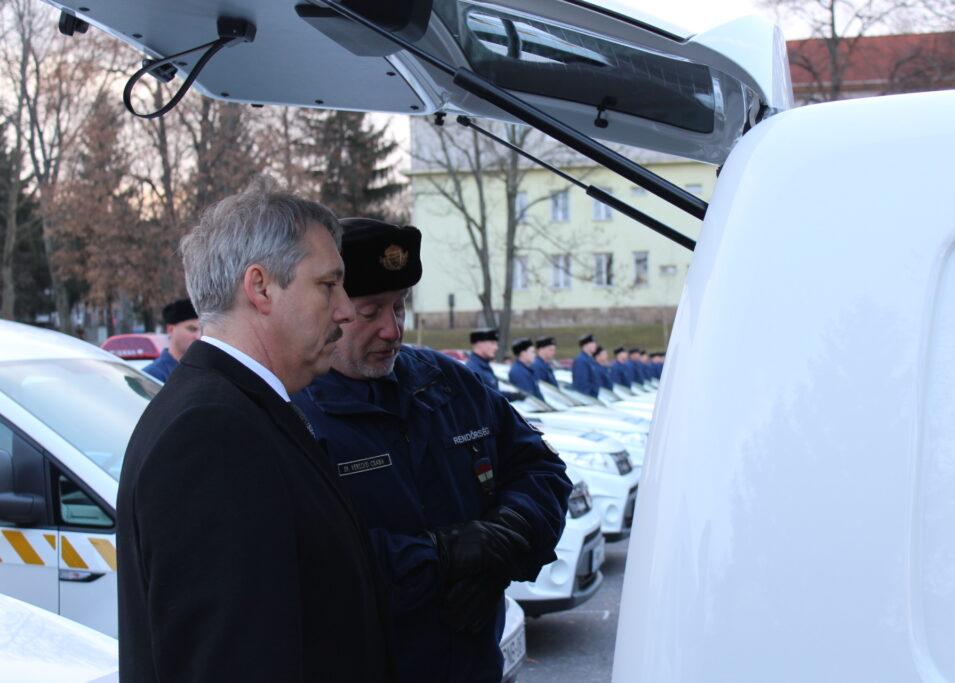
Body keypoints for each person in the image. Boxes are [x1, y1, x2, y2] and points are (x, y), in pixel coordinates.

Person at [117, 179, 394, 683]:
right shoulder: (211, 433)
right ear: (261, 287)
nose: (346, 309)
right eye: (328, 285)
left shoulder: (237, 408)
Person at [293, 219, 571, 683]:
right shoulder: (294, 410)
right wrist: (444, 562)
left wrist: (501, 543)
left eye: (399, 307)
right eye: (371, 311)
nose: (392, 329)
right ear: (331, 309)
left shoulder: (446, 382)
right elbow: (313, 558)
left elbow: (541, 471)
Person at [142, 298, 201, 381]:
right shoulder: (152, 376)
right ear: (170, 329)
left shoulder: (205, 372)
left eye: (202, 330)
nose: (198, 337)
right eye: (192, 329)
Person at [571, 333, 602, 398]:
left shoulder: (589, 360)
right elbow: (582, 384)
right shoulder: (581, 360)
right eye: (592, 343)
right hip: (587, 399)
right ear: (585, 345)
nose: (595, 345)